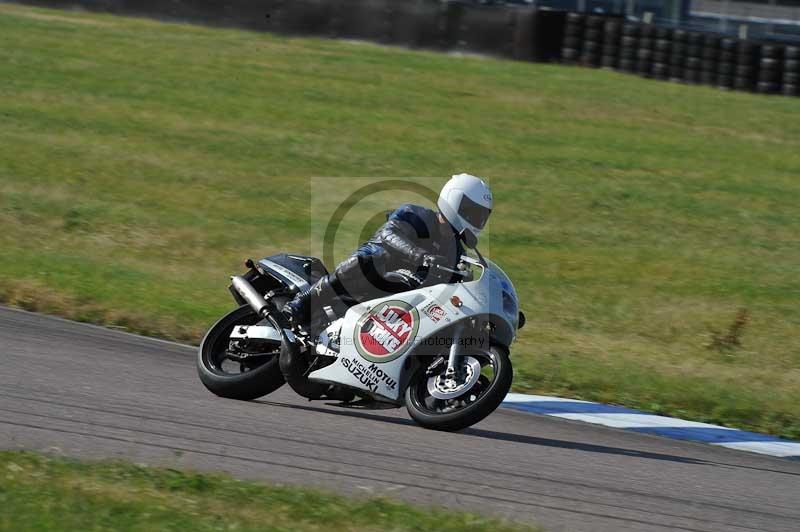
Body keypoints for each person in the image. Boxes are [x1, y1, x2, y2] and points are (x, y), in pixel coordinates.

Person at [283, 173, 493, 331]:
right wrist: (422, 256)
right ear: (455, 202)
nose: (477, 221)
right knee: (369, 259)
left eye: (482, 216)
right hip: (374, 272)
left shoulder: (456, 251)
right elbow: (389, 234)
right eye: (472, 213)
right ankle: (302, 303)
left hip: (399, 297)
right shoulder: (417, 214)